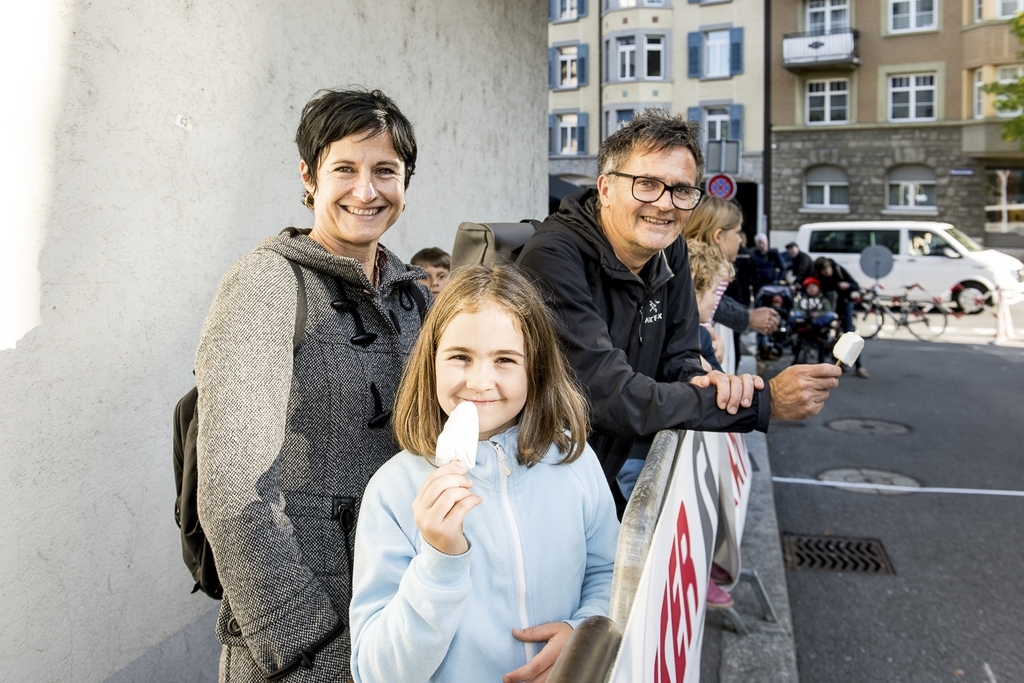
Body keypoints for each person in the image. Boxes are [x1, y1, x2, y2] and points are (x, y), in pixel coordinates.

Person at [194, 88, 425, 682]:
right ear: (309, 174)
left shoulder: (413, 294)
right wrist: (311, 647)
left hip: (402, 614)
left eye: (385, 171)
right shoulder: (265, 284)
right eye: (345, 168)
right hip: (310, 636)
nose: (366, 190)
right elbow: (233, 495)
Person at [517, 107, 842, 515]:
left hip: (594, 478)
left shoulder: (669, 248)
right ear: (605, 189)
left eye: (681, 190)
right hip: (536, 490)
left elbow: (681, 355)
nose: (664, 204)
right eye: (646, 184)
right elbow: (610, 397)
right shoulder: (553, 257)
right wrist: (763, 402)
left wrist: (711, 384)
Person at [350, 264, 619, 683]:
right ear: (431, 362)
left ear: (537, 369)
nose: (480, 381)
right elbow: (377, 672)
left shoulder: (572, 458)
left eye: (505, 359)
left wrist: (582, 632)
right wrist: (439, 560)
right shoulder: (393, 490)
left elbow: (608, 571)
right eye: (460, 357)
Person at [683, 195, 781, 368]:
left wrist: (710, 334)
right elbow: (695, 310)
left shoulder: (689, 260)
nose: (740, 239)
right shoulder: (706, 267)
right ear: (718, 235)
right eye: (737, 232)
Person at [814, 256, 869, 378]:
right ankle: (820, 366)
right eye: (824, 270)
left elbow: (855, 285)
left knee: (850, 334)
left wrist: (847, 285)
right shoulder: (819, 277)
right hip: (829, 308)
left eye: (828, 268)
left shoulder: (838, 270)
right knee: (822, 334)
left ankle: (859, 366)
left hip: (844, 305)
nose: (827, 272)